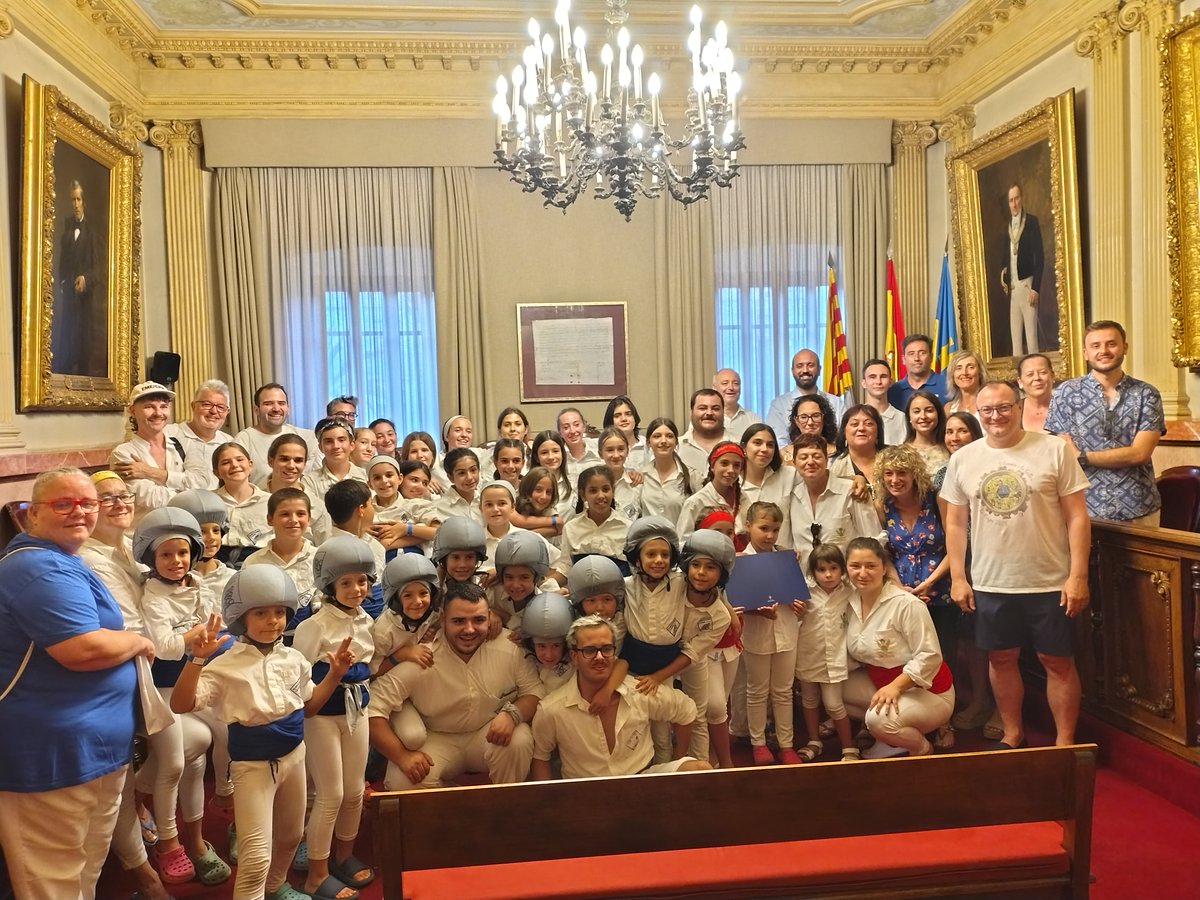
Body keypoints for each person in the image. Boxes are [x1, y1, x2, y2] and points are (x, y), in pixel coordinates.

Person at [0, 467, 154, 900]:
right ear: (32, 515)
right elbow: (80, 649)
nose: (79, 512)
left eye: (88, 503)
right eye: (63, 504)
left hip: (92, 753)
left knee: (83, 872)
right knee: (53, 881)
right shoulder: (35, 566)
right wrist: (136, 641)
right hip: (49, 759)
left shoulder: (64, 558)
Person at [171, 566, 355, 900]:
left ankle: (275, 888)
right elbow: (182, 704)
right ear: (241, 617)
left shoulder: (294, 659)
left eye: (279, 613)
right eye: (261, 613)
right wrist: (196, 661)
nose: (273, 621)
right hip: (252, 767)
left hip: (294, 758)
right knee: (256, 856)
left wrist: (335, 674)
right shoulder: (225, 665)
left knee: (289, 836)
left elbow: (309, 706)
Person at [942, 380, 1091, 749]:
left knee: (1057, 661)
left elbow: (1077, 516)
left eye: (1004, 407)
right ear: (980, 413)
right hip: (992, 581)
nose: (996, 416)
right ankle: (1012, 733)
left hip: (1050, 579)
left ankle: (1065, 743)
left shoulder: (1054, 450)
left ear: (1019, 405)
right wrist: (959, 578)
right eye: (988, 410)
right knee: (1001, 658)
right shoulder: (964, 458)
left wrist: (1078, 575)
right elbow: (956, 523)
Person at [367, 581, 545, 790]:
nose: (469, 630)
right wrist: (402, 756)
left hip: (486, 735)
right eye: (458, 621)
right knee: (402, 782)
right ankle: (459, 803)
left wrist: (512, 714)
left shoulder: (509, 647)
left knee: (519, 738)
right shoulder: (422, 656)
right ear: (442, 619)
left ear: (489, 617)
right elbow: (372, 709)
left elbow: (535, 692)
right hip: (435, 738)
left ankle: (505, 808)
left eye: (478, 620)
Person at [293, 537, 377, 899]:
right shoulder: (314, 626)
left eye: (362, 581)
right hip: (323, 716)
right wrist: (333, 673)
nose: (356, 589)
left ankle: (344, 856)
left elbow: (368, 666)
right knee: (331, 793)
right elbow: (297, 681)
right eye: (346, 583)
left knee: (355, 791)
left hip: (357, 709)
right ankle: (317, 872)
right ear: (329, 586)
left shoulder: (366, 619)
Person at [530, 615, 712, 780]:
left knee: (700, 769)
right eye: (590, 650)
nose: (600, 657)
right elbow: (540, 756)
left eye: (606, 649)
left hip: (641, 780)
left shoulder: (638, 691)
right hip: (586, 792)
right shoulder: (552, 709)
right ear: (574, 656)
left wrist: (679, 757)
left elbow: (687, 710)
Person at [874, 445, 955, 750]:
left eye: (902, 473)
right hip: (901, 595)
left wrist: (930, 582)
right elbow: (885, 552)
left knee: (941, 660)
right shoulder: (884, 506)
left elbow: (954, 545)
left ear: (914, 474)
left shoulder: (935, 500)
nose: (895, 479)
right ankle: (910, 720)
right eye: (889, 474)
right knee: (908, 660)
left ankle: (944, 722)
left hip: (939, 591)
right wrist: (898, 587)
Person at [842, 537, 954, 758]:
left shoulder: (907, 604)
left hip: (927, 690)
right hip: (880, 680)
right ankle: (890, 740)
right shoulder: (849, 601)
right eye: (855, 566)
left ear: (884, 568)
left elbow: (929, 656)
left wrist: (895, 687)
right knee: (832, 692)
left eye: (871, 566)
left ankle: (920, 748)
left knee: (879, 720)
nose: (862, 573)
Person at [1045, 320, 1164, 524]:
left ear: (1124, 347)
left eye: (1111, 344)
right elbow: (1064, 452)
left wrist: (1082, 457)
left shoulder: (1147, 393)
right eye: (1096, 346)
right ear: (1085, 353)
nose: (1104, 350)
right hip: (1082, 508)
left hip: (1139, 506)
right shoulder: (1065, 393)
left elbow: (1140, 454)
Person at [740, 502, 805, 766]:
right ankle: (758, 743)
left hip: (787, 631)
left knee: (783, 690)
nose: (769, 535)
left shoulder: (788, 558)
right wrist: (758, 611)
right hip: (756, 635)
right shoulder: (741, 561)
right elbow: (740, 605)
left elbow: (798, 595)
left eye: (775, 530)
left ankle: (787, 744)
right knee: (757, 690)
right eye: (763, 528)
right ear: (748, 526)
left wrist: (798, 602)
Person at [110, 381, 187, 522]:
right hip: (144, 537)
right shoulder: (123, 454)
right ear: (132, 411)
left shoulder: (180, 446)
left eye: (163, 406)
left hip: (182, 528)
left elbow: (201, 482)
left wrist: (147, 471)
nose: (158, 413)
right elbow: (153, 500)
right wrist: (188, 492)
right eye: (149, 407)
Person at [53, 180, 106, 376]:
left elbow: (101, 269)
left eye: (78, 199)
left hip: (85, 303)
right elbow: (62, 264)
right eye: (72, 200)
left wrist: (86, 278)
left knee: (83, 349)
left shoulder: (92, 233)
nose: (75, 204)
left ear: (84, 202)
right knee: (66, 346)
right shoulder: (66, 232)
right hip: (68, 301)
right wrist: (63, 282)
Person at [234, 383, 319, 484]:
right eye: (268, 403)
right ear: (256, 410)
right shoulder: (243, 439)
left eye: (281, 403)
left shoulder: (307, 437)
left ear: (288, 408)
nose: (276, 409)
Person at [765, 349, 847, 446]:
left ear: (819, 369)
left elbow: (843, 438)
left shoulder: (837, 402)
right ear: (792, 371)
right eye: (800, 366)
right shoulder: (779, 404)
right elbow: (778, 443)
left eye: (810, 365)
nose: (805, 370)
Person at [165, 379, 235, 490]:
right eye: (207, 404)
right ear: (193, 406)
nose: (213, 411)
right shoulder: (168, 434)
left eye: (221, 407)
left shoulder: (229, 443)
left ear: (227, 412)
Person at [1000, 183, 1044, 356]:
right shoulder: (1008, 226)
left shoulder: (1031, 221)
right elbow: (1006, 258)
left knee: (1031, 338)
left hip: (1028, 285)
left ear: (1022, 198)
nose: (1014, 203)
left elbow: (1039, 257)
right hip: (1014, 288)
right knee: (1016, 340)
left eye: (1017, 198)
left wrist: (1036, 288)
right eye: (1011, 200)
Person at [561, 466, 631, 575]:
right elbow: (565, 569)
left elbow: (634, 570)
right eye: (593, 491)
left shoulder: (628, 528)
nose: (601, 495)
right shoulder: (571, 528)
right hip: (582, 590)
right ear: (583, 495)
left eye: (606, 489)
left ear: (613, 491)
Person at [738, 424, 794, 546]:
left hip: (782, 556)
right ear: (743, 447)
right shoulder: (733, 483)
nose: (764, 449)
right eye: (757, 443)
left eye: (770, 445)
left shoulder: (789, 475)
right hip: (745, 558)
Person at [639, 417, 694, 524]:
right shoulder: (641, 477)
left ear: (676, 442)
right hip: (649, 539)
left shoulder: (692, 476)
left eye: (669, 436)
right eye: (657, 436)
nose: (663, 441)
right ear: (649, 442)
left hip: (680, 539)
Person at [887, 334, 947, 410]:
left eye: (922, 353)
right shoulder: (893, 390)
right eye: (911, 354)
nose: (916, 358)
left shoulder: (947, 385)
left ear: (931, 357)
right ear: (903, 359)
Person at [677, 389, 728, 478]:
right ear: (691, 412)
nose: (709, 413)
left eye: (715, 408)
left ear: (723, 412)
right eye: (702, 408)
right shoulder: (675, 447)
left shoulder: (739, 445)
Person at [860, 358, 907, 445]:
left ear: (890, 382)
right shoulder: (855, 418)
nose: (878, 382)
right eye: (872, 377)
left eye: (883, 376)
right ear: (864, 383)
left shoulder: (903, 419)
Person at [780, 394, 837, 464]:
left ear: (824, 419)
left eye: (816, 416)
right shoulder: (784, 454)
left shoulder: (838, 453)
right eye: (803, 417)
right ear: (796, 421)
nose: (810, 422)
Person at [556, 408, 601, 484]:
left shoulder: (599, 448)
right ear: (560, 432)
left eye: (576, 425)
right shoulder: (557, 456)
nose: (572, 431)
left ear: (583, 427)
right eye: (566, 427)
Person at [713, 368, 759, 437]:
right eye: (725, 383)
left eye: (736, 383)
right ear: (714, 388)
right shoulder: (707, 418)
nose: (731, 388)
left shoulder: (753, 419)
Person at [1016, 353, 1055, 433]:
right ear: (1020, 382)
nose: (1037, 378)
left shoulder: (1066, 408)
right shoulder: (1013, 411)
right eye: (1030, 374)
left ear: (1052, 376)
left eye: (1042, 372)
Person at [943, 349, 986, 418]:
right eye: (959, 368)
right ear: (952, 374)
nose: (964, 373)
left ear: (980, 372)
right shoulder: (948, 408)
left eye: (970, 367)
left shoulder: (990, 405)